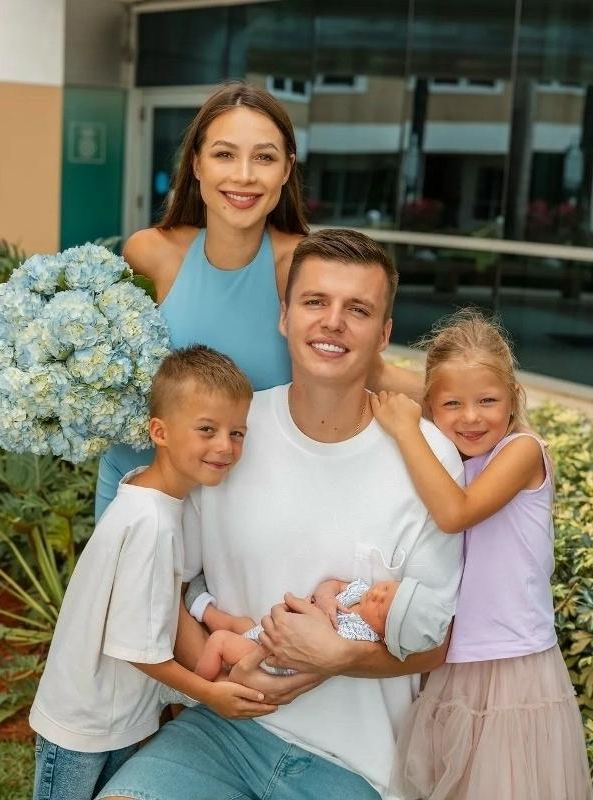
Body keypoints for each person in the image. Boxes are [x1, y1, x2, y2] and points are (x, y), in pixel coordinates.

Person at [97, 228, 465, 800]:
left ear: (384, 333)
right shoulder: (230, 437)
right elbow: (167, 581)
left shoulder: (427, 456)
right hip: (222, 733)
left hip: (358, 764)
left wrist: (342, 656)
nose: (333, 322)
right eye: (315, 301)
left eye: (358, 309)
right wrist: (219, 680)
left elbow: (436, 642)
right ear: (285, 316)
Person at [95, 80, 420, 522]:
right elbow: (103, 369)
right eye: (224, 155)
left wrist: (484, 401)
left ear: (286, 170)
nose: (244, 176)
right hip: (140, 490)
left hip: (246, 503)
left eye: (264, 157)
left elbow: (372, 372)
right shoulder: (149, 254)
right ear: (196, 164)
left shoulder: (300, 268)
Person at [29, 346, 276, 800]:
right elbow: (136, 649)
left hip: (112, 714)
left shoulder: (150, 496)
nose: (225, 446)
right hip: (84, 721)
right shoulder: (152, 523)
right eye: (207, 429)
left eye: (237, 432)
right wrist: (207, 694)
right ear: (159, 431)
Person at [371, 311, 592, 800]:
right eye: (452, 404)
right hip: (453, 663)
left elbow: (457, 513)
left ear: (513, 397)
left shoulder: (521, 451)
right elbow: (378, 373)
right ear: (433, 405)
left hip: (514, 665)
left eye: (488, 401)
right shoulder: (452, 449)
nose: (470, 417)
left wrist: (407, 431)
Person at [194, 578, 401, 681]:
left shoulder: (362, 636)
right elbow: (334, 584)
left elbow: (325, 646)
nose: (377, 595)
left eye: (381, 608)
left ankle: (200, 688)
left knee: (220, 641)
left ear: (384, 636)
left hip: (274, 655)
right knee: (243, 625)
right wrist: (325, 596)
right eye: (386, 588)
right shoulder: (361, 590)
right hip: (275, 630)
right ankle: (202, 609)